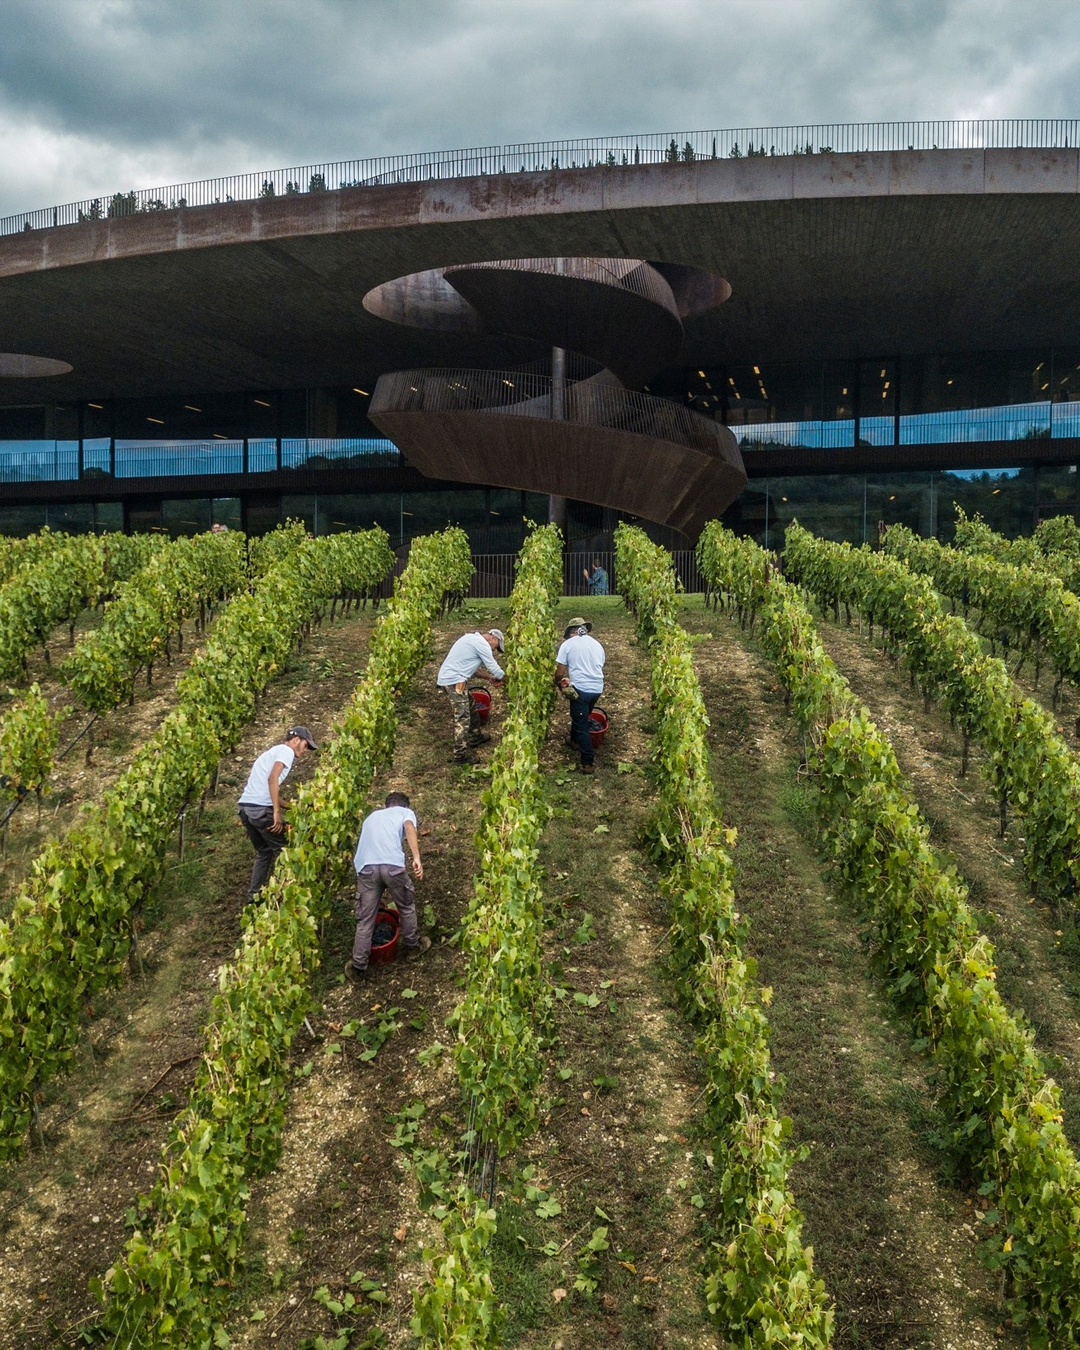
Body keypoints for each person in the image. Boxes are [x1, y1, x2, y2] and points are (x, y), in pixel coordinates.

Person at [345, 791, 430, 984]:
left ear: (386, 806)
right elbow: (409, 827)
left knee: (365, 919)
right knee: (406, 906)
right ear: (404, 806)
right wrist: (416, 857)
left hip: (366, 869)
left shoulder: (372, 817)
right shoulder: (405, 813)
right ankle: (413, 947)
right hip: (392, 866)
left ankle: (358, 968)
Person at [237, 726, 317, 897]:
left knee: (264, 852)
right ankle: (289, 896)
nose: (305, 751)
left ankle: (254, 897)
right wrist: (276, 811)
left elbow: (269, 789)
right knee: (284, 852)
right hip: (260, 810)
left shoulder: (272, 752)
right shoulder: (286, 751)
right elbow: (272, 778)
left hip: (245, 808)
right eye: (305, 745)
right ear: (296, 740)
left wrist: (293, 807)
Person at [436, 628, 506, 763]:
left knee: (471, 704)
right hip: (453, 682)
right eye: (495, 647)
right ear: (493, 638)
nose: (493, 651)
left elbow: (472, 669)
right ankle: (460, 756)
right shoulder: (482, 644)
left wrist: (488, 678)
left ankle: (475, 737)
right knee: (462, 717)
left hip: (452, 679)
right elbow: (493, 667)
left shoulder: (471, 639)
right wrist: (509, 680)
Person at [555, 617, 605, 774]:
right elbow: (596, 667)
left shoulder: (568, 645)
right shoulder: (597, 645)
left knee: (581, 723)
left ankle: (587, 762)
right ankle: (574, 740)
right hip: (597, 688)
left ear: (571, 632)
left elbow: (560, 672)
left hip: (581, 690)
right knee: (580, 716)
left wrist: (557, 682)